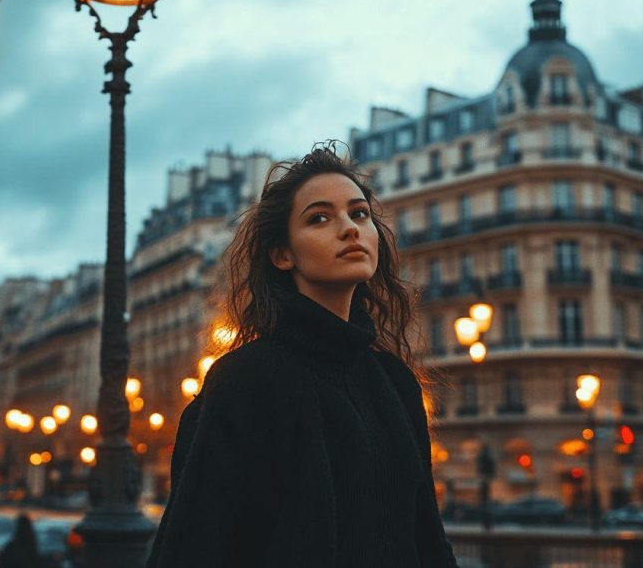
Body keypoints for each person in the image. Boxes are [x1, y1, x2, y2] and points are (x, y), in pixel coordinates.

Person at [146, 143, 459, 568]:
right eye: (320, 218)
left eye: (359, 213)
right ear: (282, 254)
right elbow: (197, 542)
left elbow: (427, 537)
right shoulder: (245, 379)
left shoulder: (395, 380)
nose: (349, 228)